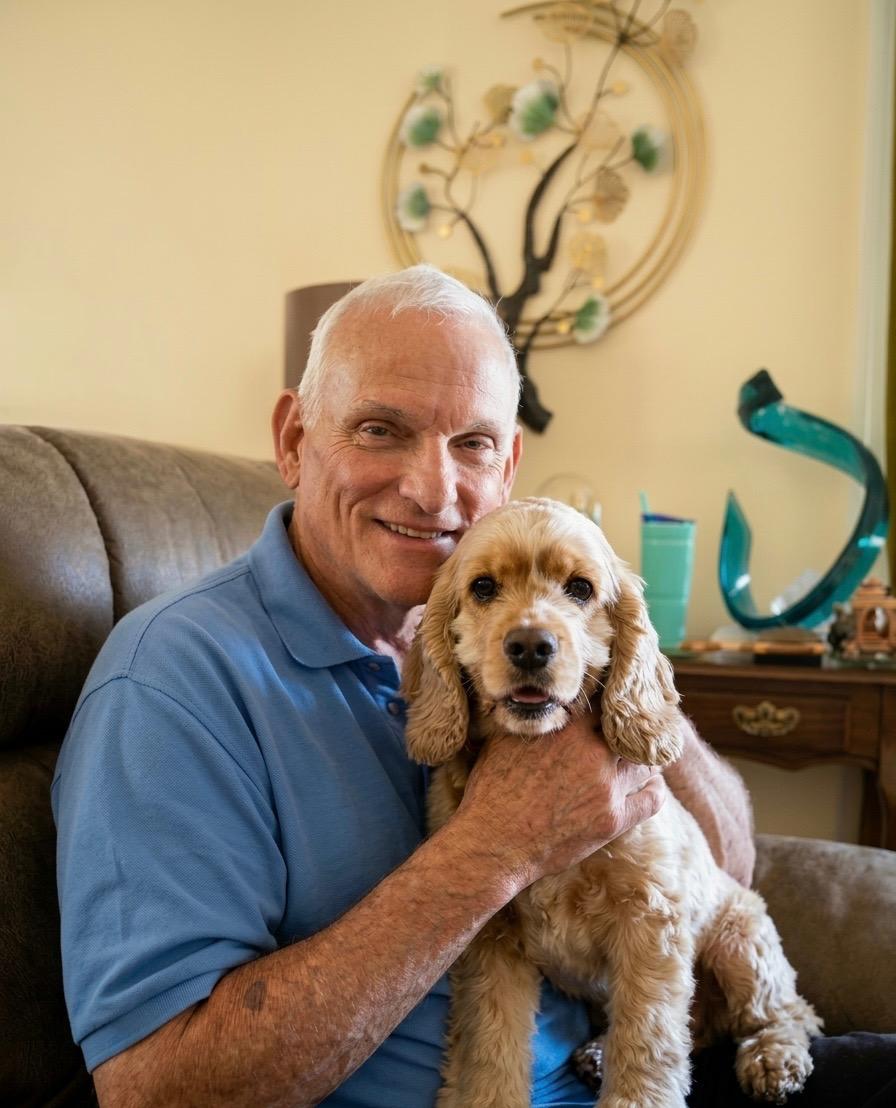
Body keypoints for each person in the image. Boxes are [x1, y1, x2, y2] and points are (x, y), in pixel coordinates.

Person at [53, 266, 893, 1108]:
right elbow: (154, 1089)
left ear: (510, 466)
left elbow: (725, 865)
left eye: (473, 443)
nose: (434, 489)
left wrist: (636, 690)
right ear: (294, 439)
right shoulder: (171, 682)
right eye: (380, 430)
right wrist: (496, 849)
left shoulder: (489, 643)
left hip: (644, 1065)